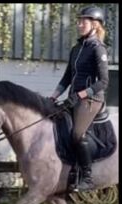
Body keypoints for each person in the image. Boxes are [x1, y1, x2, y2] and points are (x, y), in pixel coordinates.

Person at [50, 6, 109, 191]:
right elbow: (67, 77)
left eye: (84, 21)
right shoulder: (76, 49)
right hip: (73, 98)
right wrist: (53, 96)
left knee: (77, 134)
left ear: (95, 25)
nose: (79, 24)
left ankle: (88, 177)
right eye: (79, 20)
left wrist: (81, 95)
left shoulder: (98, 49)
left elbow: (104, 82)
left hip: (91, 100)